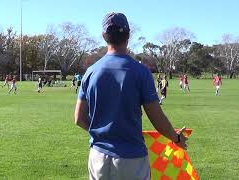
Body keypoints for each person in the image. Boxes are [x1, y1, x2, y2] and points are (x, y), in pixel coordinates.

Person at [74, 13, 187, 180]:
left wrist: (103, 134)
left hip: (98, 157)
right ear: (128, 34)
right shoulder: (140, 72)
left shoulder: (90, 73)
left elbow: (79, 118)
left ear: (104, 36)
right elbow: (157, 119)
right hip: (131, 159)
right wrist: (176, 137)